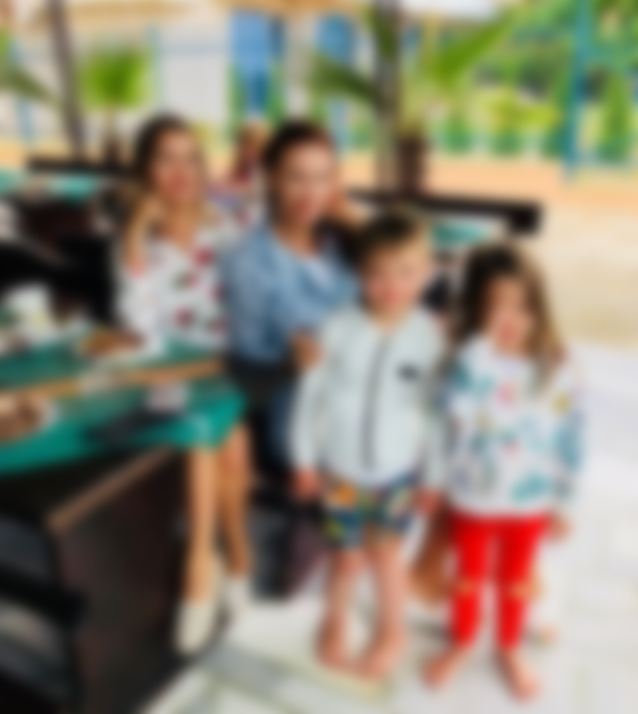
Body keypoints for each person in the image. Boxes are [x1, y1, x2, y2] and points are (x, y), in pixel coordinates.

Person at [424, 245, 584, 699]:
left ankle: (509, 645)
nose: (508, 319)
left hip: (530, 503)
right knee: (467, 578)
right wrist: (477, 353)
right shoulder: (465, 364)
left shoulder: (556, 367)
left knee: (517, 581)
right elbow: (454, 416)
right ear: (475, 309)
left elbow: (573, 440)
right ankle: (462, 640)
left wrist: (566, 502)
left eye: (521, 306)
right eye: (495, 306)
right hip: (472, 500)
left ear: (539, 308)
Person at [291, 211, 445, 680]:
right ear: (359, 273)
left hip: (397, 472)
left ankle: (392, 631)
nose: (392, 285)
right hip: (340, 470)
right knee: (346, 557)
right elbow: (310, 396)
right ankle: (334, 619)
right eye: (377, 272)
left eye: (406, 272)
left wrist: (434, 476)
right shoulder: (336, 328)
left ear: (428, 273)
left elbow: (436, 413)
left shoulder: (430, 337)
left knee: (387, 557)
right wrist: (304, 458)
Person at [119, 115, 252, 655]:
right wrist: (134, 235)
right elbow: (139, 332)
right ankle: (230, 555)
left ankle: (207, 562)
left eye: (190, 158)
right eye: (165, 158)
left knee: (216, 431)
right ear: (145, 170)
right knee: (221, 438)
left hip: (230, 367)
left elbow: (252, 305)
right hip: (171, 374)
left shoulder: (228, 229)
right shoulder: (137, 243)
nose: (180, 171)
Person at [222, 120, 357, 461]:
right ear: (271, 178)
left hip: (366, 400)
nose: (311, 192)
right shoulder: (248, 259)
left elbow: (407, 280)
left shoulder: (342, 241)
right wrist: (293, 359)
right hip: (300, 418)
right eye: (296, 177)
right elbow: (251, 363)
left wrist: (354, 222)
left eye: (322, 177)